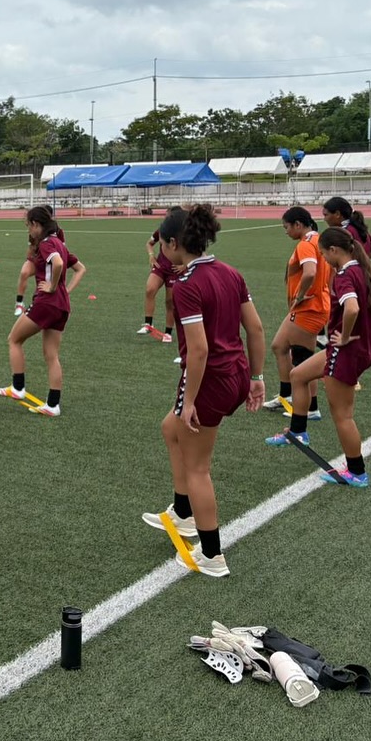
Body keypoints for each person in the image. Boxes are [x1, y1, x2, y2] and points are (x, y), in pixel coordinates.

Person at [141, 205, 266, 578]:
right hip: (237, 374)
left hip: (209, 381)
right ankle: (182, 513)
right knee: (170, 428)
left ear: (173, 243)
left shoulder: (186, 285)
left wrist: (190, 400)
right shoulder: (230, 272)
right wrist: (257, 378)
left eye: (162, 243)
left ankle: (211, 553)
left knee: (199, 468)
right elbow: (256, 330)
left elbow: (198, 350)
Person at [265, 227, 371, 488]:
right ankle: (298, 432)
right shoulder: (364, 270)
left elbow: (351, 308)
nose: (324, 260)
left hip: (346, 352)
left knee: (343, 415)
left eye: (324, 255)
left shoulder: (344, 275)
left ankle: (356, 471)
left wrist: (345, 336)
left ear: (333, 250)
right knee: (298, 375)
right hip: (348, 349)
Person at [0, 206, 70, 417]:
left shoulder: (47, 244)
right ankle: (53, 404)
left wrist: (52, 286)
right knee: (52, 355)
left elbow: (58, 264)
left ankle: (18, 388)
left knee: (14, 339)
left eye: (29, 225)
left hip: (47, 302)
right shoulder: (60, 242)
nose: (29, 229)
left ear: (36, 225)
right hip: (63, 305)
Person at [261, 207, 330, 420]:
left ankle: (310, 408)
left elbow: (310, 272)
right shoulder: (318, 240)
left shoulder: (306, 244)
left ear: (298, 225)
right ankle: (288, 395)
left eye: (286, 227)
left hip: (309, 309)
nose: (285, 231)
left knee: (302, 359)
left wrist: (300, 295)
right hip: (312, 307)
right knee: (280, 346)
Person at [137, 209, 184, 342]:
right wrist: (151, 256)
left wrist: (184, 265)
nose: (166, 219)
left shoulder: (183, 234)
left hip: (174, 271)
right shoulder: (161, 231)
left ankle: (168, 332)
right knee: (149, 289)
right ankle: (148, 324)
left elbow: (193, 253)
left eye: (169, 217)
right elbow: (149, 244)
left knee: (170, 302)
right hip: (160, 267)